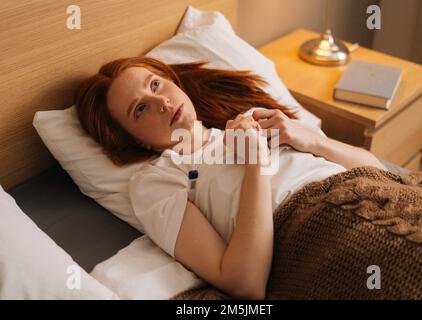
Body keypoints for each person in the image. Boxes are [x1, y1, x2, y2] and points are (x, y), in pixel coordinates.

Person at [75, 56, 386, 299]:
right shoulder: (157, 181)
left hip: (381, 195)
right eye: (140, 109)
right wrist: (255, 163)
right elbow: (245, 285)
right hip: (331, 232)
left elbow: (380, 173)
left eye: (155, 85)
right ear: (134, 140)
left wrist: (310, 139)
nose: (162, 103)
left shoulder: (252, 116)